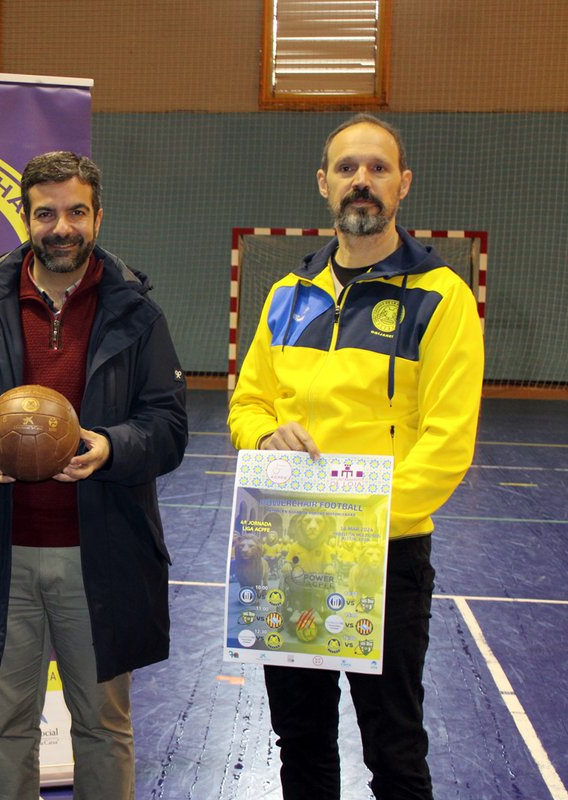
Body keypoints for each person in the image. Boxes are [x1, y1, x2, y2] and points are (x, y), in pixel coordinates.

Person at [0, 151, 189, 799]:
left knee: (103, 727)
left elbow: (168, 424)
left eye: (75, 212)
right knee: (7, 727)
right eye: (46, 214)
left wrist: (110, 447)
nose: (61, 227)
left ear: (98, 216)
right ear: (26, 218)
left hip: (101, 555)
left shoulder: (136, 312)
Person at [228, 113, 485, 799]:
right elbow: (248, 406)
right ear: (324, 183)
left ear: (403, 184)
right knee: (301, 743)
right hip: (287, 553)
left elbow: (448, 442)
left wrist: (361, 528)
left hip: (387, 557)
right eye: (347, 168)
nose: (361, 180)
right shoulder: (288, 296)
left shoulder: (442, 298)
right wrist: (265, 436)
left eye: (377, 168)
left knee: (394, 749)